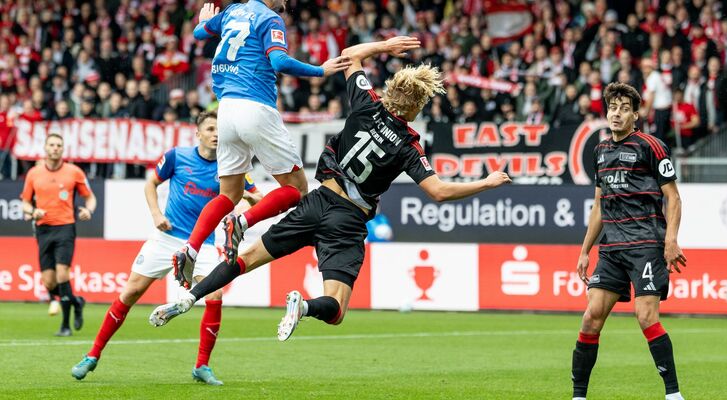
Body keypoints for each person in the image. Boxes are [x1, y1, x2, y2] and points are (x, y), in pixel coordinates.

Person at [148, 36, 512, 342]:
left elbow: (350, 55)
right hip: (348, 221)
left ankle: (188, 297)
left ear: (390, 91)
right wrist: (488, 182)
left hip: (317, 199)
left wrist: (386, 45)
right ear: (417, 106)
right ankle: (303, 306)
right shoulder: (408, 145)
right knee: (335, 309)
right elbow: (439, 192)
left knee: (244, 260)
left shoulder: (366, 103)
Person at [70, 112, 262, 384]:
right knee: (131, 291)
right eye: (210, 128)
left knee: (215, 295)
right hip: (167, 238)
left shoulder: (232, 167)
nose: (215, 134)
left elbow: (258, 199)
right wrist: (156, 214)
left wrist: (239, 208)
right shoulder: (176, 156)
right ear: (198, 133)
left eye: (219, 129)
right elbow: (151, 184)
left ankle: (202, 366)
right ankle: (92, 355)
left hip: (204, 243)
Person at [173, 1, 352, 290]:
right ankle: (242, 223)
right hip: (255, 106)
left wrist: (202, 22)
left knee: (228, 194)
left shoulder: (232, 11)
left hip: (226, 110)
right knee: (296, 189)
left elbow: (197, 33)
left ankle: (190, 248)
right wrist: (321, 71)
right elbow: (279, 62)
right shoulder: (269, 19)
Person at [571, 82, 687, 400]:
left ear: (635, 114)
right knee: (591, 317)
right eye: (613, 108)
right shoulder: (600, 151)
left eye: (624, 108)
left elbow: (673, 198)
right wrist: (584, 251)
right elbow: (598, 205)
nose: (617, 113)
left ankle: (673, 395)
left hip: (646, 244)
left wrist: (671, 240)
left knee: (646, 315)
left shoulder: (652, 146)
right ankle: (578, 396)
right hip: (611, 248)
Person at [20, 133, 97, 336]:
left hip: (65, 228)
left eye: (59, 145)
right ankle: (76, 301)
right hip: (43, 229)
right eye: (52, 145)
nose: (55, 148)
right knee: (49, 282)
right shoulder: (34, 174)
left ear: (63, 149)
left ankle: (65, 326)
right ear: (45, 148)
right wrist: (31, 211)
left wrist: (88, 210)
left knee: (63, 273)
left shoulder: (74, 172)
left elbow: (90, 198)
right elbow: (25, 202)